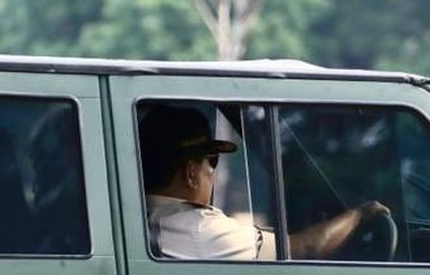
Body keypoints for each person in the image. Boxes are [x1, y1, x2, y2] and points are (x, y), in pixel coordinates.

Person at [140, 104, 389, 260]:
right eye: (211, 160)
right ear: (191, 173)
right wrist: (360, 215)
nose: (213, 172)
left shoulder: (139, 219)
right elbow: (305, 249)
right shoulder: (199, 230)